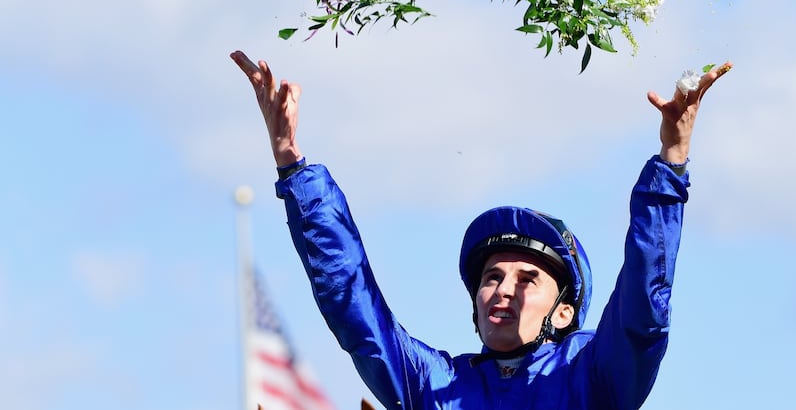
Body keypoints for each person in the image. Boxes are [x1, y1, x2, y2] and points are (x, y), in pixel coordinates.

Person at [231, 50, 731, 409]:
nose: (503, 289)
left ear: (564, 312)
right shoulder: (434, 383)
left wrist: (671, 164)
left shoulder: (595, 376)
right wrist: (295, 170)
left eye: (527, 279)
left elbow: (643, 307)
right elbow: (351, 302)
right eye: (492, 276)